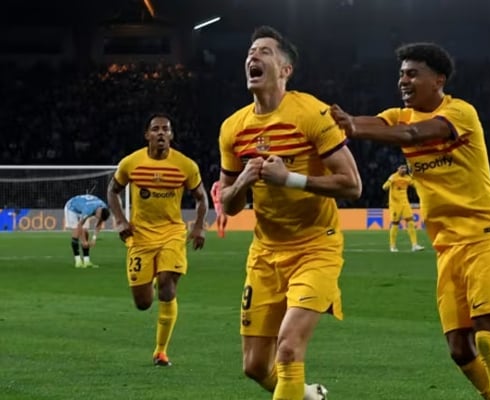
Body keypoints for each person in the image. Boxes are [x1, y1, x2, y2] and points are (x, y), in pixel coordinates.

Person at [331, 42, 490, 400]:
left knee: (488, 336)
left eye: (412, 73)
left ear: (438, 80)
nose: (403, 80)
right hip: (447, 246)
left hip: (486, 237)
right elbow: (377, 123)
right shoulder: (400, 115)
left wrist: (352, 127)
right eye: (401, 74)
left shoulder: (460, 113)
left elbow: (411, 135)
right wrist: (335, 122)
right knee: (459, 349)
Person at [218, 26, 361, 400]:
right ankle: (309, 396)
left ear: (285, 69)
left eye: (264, 52)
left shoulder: (312, 112)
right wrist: (245, 181)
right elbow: (229, 205)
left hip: (316, 248)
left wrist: (290, 179)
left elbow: (352, 184)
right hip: (265, 255)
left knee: (288, 349)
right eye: (250, 52)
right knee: (254, 366)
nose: (253, 57)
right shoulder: (233, 129)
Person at [107, 112, 208, 367]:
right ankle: (150, 278)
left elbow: (201, 199)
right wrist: (119, 220)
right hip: (140, 236)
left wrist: (198, 227)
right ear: (147, 135)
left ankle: (161, 351)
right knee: (142, 303)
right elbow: (113, 190)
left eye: (166, 129)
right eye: (156, 129)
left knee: (167, 286)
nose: (161, 133)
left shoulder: (186, 165)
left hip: (172, 233)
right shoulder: (131, 163)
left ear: (171, 135)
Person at [382, 164, 425, 252]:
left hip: (405, 203)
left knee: (411, 221)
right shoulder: (393, 177)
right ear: (398, 169)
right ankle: (392, 246)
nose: (404, 169)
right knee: (395, 223)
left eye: (405, 168)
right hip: (395, 204)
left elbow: (416, 185)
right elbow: (384, 187)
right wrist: (389, 182)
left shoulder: (407, 178)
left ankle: (414, 245)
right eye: (402, 168)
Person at [63, 194, 111, 268]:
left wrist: (94, 238)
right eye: (98, 217)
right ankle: (78, 261)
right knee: (76, 232)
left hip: (82, 207)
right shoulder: (89, 209)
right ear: (98, 212)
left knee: (85, 232)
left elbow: (99, 224)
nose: (98, 218)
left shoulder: (103, 207)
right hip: (71, 208)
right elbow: (80, 225)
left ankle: (86, 261)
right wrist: (83, 241)